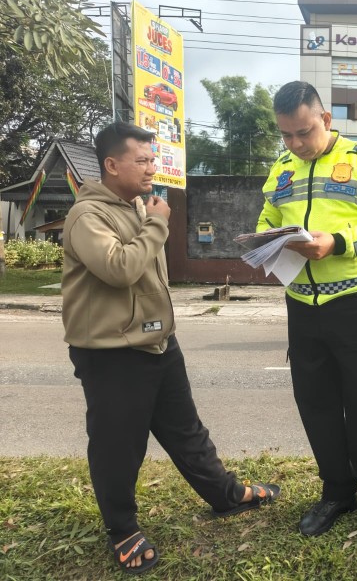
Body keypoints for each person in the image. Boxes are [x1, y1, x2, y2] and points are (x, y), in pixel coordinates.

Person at [62, 121, 280, 576]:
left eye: (152, 159)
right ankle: (121, 530)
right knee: (118, 447)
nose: (149, 168)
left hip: (158, 341)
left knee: (186, 431)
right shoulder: (89, 216)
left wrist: (150, 220)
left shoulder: (136, 207)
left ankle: (225, 495)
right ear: (111, 164)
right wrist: (158, 224)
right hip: (113, 352)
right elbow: (120, 269)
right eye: (140, 160)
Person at [255, 81, 357, 551]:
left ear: (324, 118)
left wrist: (336, 242)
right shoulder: (282, 168)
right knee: (316, 404)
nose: (296, 145)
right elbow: (266, 218)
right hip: (302, 304)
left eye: (303, 132)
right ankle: (336, 493)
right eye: (286, 136)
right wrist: (267, 244)